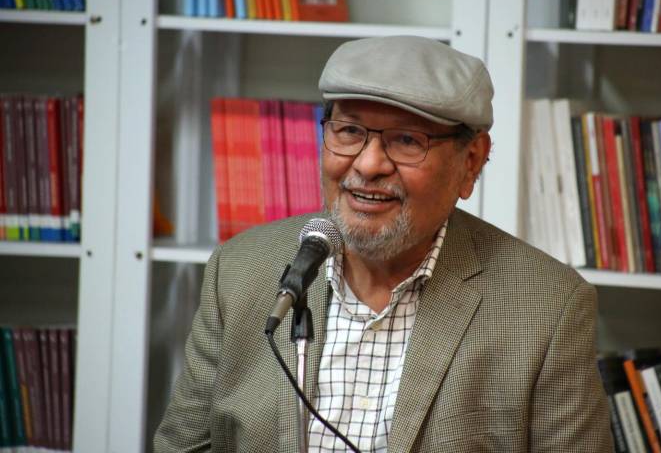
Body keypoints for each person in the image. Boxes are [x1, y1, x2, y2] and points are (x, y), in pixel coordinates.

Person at [154, 36, 612, 452]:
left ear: (471, 161)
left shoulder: (547, 307)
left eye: (407, 140)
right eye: (349, 132)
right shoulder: (239, 270)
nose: (369, 164)